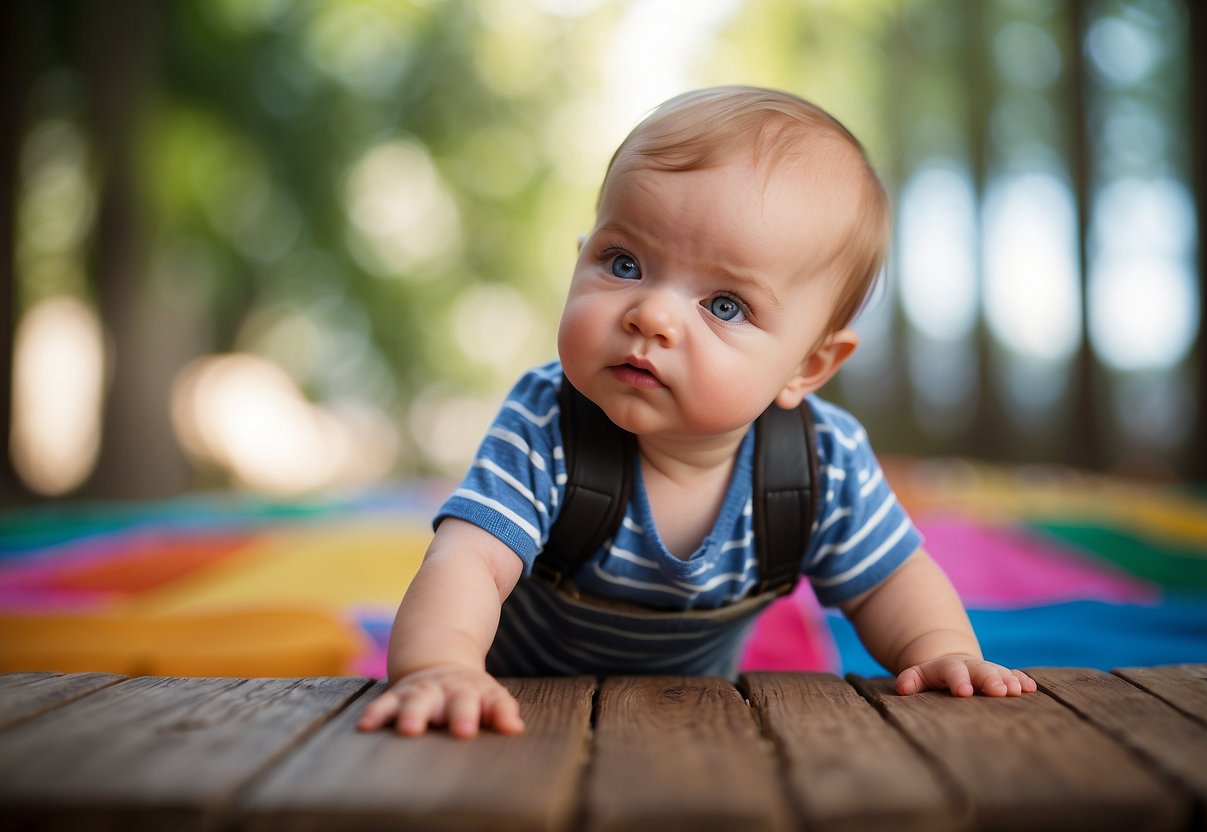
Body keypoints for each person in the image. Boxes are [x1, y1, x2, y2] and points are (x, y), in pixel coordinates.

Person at [357, 86, 1036, 739]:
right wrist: (441, 667)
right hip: (520, 703)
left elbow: (891, 578)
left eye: (724, 306)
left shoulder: (817, 462)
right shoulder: (548, 424)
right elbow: (467, 561)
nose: (650, 314)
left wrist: (942, 651)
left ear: (807, 366)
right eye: (622, 264)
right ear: (579, 259)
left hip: (692, 718)